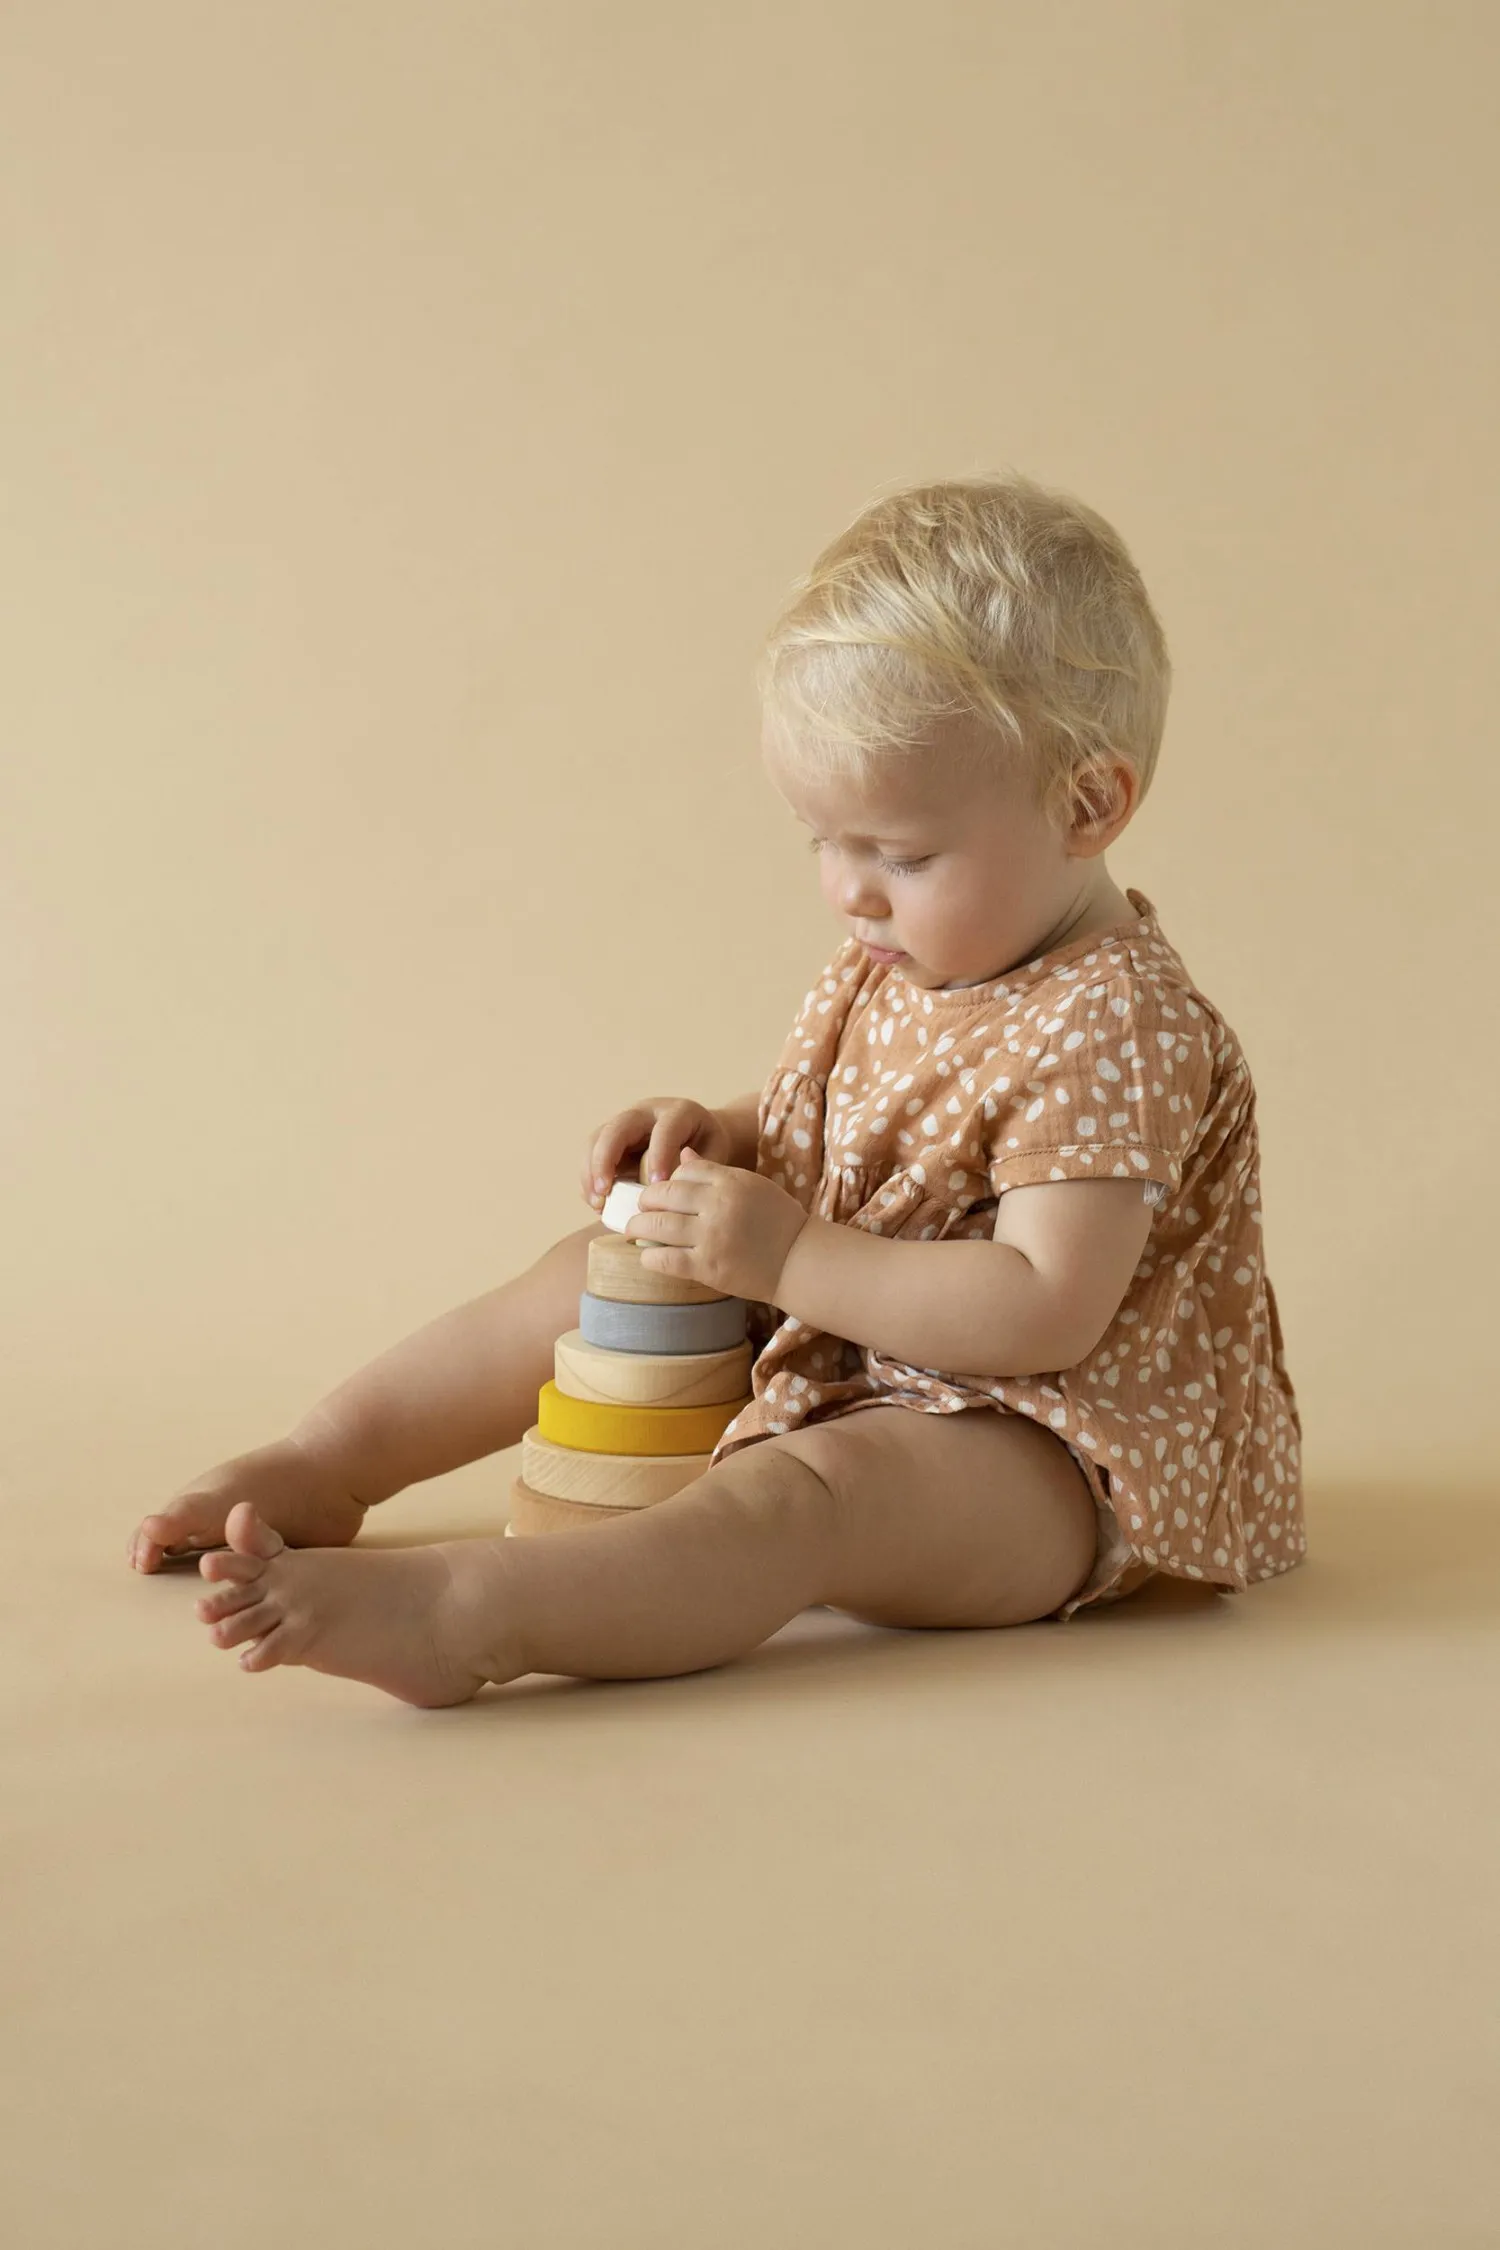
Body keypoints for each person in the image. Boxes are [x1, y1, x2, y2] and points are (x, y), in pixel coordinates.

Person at [125, 470, 1304, 1706]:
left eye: (900, 853)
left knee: (810, 1498)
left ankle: (472, 1617)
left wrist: (788, 1256)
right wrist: (731, 1136)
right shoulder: (926, 946)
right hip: (853, 1342)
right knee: (594, 1272)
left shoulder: (1116, 1022)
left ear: (1088, 805)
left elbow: (1042, 1307)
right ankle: (330, 1460)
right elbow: (874, 1123)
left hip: (1045, 1450)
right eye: (823, 840)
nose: (849, 890)